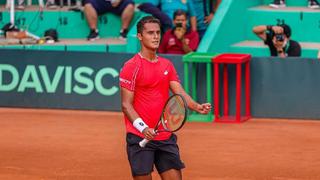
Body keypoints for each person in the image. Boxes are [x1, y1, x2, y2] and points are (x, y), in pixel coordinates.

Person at [119, 16, 211, 180]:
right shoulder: (131, 66)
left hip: (164, 136)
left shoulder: (166, 64)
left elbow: (179, 93)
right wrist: (143, 128)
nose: (155, 36)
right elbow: (126, 105)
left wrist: (196, 106)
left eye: (158, 33)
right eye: (150, 33)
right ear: (140, 36)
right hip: (140, 136)